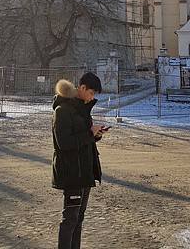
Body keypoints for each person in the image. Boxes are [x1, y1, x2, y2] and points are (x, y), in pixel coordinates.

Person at [52, 72, 108, 249]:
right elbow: (64, 143)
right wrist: (90, 133)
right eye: (91, 93)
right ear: (82, 88)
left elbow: (83, 136)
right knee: (70, 218)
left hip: (85, 171)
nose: (92, 97)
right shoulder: (62, 110)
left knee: (79, 218)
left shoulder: (83, 109)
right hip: (71, 171)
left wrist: (95, 135)